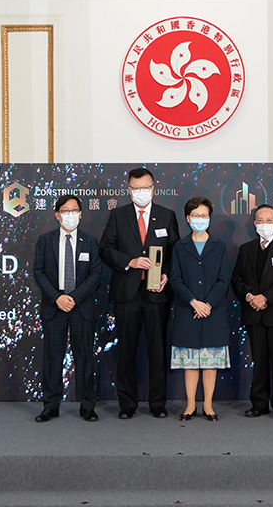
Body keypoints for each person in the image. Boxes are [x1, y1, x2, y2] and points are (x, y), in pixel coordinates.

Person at [99, 168, 180, 419]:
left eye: (146, 188)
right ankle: (127, 404)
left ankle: (158, 404)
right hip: (127, 293)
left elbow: (175, 251)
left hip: (157, 293)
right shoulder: (118, 215)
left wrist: (167, 273)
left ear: (154, 188)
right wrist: (130, 262)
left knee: (157, 350)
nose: (141, 192)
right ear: (129, 190)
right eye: (136, 189)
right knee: (126, 351)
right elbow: (106, 248)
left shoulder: (167, 216)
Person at [32, 195, 102, 422]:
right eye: (65, 210)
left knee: (85, 357)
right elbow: (38, 272)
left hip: (81, 306)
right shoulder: (45, 240)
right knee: (53, 357)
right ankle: (51, 406)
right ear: (57, 214)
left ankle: (87, 406)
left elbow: (95, 274)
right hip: (54, 306)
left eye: (74, 210)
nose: (70, 214)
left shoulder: (90, 242)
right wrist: (57, 297)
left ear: (81, 214)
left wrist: (73, 297)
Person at [231, 204, 273, 419]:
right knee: (259, 360)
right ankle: (259, 403)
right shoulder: (246, 249)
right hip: (253, 312)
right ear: (254, 223)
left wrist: (266, 298)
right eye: (260, 220)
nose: (264, 224)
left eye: (268, 220)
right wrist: (250, 296)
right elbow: (237, 279)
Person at [169, 197, 231, 421]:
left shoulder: (219, 245)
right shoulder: (180, 246)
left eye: (204, 215)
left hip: (213, 312)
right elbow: (175, 279)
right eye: (195, 216)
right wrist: (194, 302)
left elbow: (224, 279)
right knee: (191, 364)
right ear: (187, 218)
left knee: (210, 363)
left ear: (209, 218)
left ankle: (208, 406)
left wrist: (208, 304)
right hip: (188, 311)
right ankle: (190, 406)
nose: (200, 220)